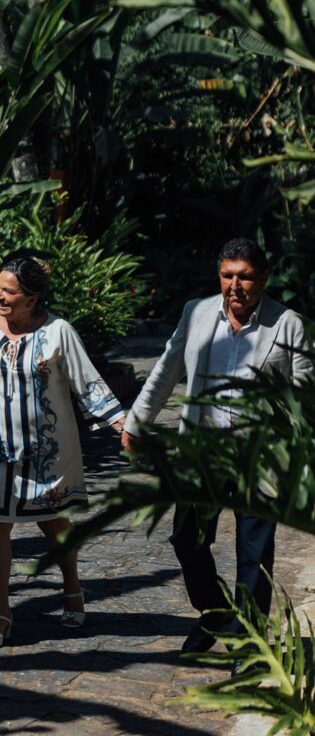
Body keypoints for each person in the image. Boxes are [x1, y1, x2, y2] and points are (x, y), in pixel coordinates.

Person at [121, 237, 313, 655]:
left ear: (262, 278)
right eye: (227, 276)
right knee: (186, 539)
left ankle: (249, 643)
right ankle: (214, 610)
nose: (235, 286)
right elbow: (166, 371)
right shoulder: (197, 313)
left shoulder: (287, 324)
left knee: (254, 555)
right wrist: (138, 421)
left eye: (244, 277)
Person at [0, 250, 125, 650]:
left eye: (10, 292)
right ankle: (1, 611)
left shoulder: (58, 332)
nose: (0, 297)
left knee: (53, 523)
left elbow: (86, 383)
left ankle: (72, 587)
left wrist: (121, 424)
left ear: (32, 298)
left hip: (47, 453)